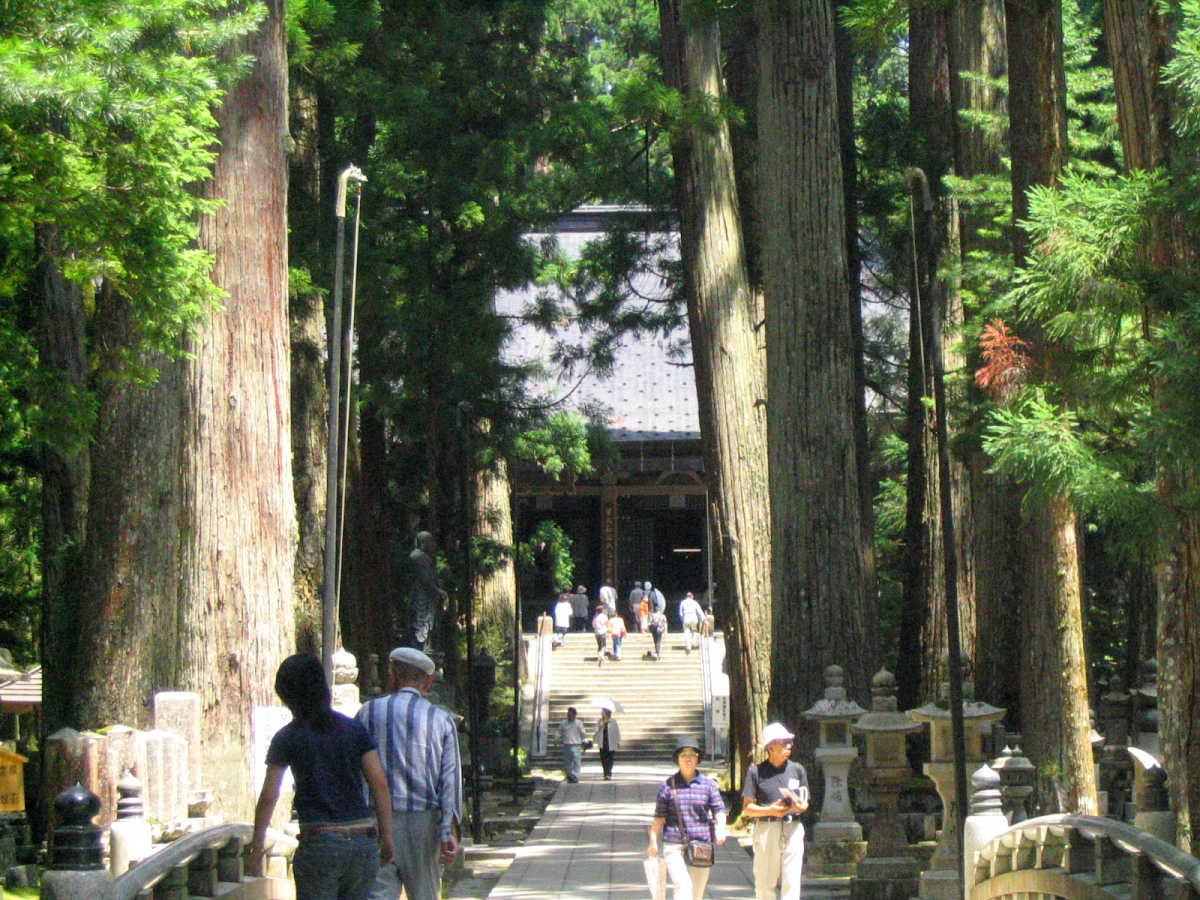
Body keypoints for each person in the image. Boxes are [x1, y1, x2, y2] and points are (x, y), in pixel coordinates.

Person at [251, 654, 394, 899]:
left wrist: (257, 844)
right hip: (362, 839)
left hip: (320, 842)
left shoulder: (287, 738)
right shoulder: (354, 730)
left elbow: (269, 795)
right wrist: (387, 836)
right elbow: (379, 783)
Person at [357, 647, 463, 900]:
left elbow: (355, 771)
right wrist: (449, 830)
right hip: (423, 825)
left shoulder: (367, 713)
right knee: (425, 895)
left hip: (377, 821)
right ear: (427, 682)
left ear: (392, 675)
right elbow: (449, 779)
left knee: (377, 894)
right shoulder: (441, 720)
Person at [647, 735, 727, 900]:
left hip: (701, 846)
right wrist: (653, 841)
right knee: (683, 886)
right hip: (674, 845)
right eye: (683, 755)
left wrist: (721, 830)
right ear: (677, 759)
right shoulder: (668, 786)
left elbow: (719, 809)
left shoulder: (708, 785)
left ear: (698, 758)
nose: (688, 759)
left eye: (692, 755)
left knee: (696, 894)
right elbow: (659, 818)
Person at [742, 722, 809, 900]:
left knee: (792, 879)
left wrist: (799, 807)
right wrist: (771, 810)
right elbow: (748, 807)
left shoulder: (797, 770)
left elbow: (805, 802)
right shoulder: (756, 772)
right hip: (767, 829)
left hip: (793, 826)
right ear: (771, 747)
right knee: (765, 880)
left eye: (789, 742)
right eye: (784, 742)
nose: (788, 746)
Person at [405, 532, 444, 652]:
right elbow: (426, 580)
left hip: (422, 598)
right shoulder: (419, 557)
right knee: (420, 628)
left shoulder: (421, 557)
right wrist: (438, 592)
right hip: (420, 598)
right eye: (430, 541)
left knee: (424, 629)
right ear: (422, 542)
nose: (433, 545)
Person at [559, 706, 587, 783]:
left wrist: (584, 740)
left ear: (574, 715)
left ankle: (575, 776)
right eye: (568, 714)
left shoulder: (578, 723)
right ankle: (569, 775)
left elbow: (583, 733)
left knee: (576, 761)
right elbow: (559, 732)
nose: (569, 716)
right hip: (566, 744)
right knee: (567, 762)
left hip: (576, 745)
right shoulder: (563, 723)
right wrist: (556, 739)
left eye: (571, 714)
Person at [593, 705, 622, 780]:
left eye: (603, 712)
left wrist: (618, 741)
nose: (601, 714)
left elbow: (617, 731)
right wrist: (602, 725)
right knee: (603, 758)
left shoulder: (613, 721)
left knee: (610, 758)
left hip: (611, 742)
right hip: (602, 742)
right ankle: (605, 773)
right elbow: (596, 730)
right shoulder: (600, 721)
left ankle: (609, 773)